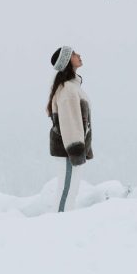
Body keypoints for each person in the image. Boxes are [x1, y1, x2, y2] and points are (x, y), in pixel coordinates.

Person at [46, 45, 93, 212]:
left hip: (70, 150)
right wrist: (76, 151)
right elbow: (70, 123)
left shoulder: (71, 87)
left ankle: (63, 225)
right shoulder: (68, 89)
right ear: (66, 61)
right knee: (67, 191)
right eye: (74, 54)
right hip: (69, 150)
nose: (79, 55)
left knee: (70, 191)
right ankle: (58, 226)